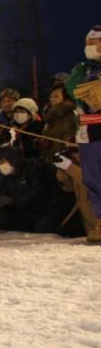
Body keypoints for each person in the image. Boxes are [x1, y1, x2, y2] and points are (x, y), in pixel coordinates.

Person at [65, 25, 101, 243]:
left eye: (94, 43)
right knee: (93, 178)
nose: (89, 48)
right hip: (89, 129)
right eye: (87, 43)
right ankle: (100, 221)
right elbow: (72, 88)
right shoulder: (82, 69)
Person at [39, 83, 78, 160]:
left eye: (56, 96)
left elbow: (70, 144)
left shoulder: (70, 116)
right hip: (49, 161)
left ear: (66, 98)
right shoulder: (51, 117)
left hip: (63, 163)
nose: (52, 99)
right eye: (51, 97)